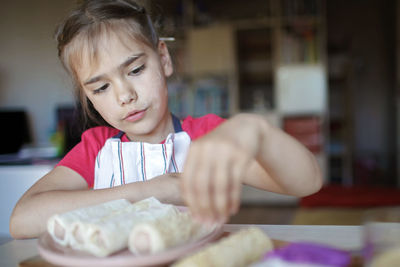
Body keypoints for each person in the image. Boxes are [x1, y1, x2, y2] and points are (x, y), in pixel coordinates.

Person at [9, 0, 322, 239]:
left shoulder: (206, 137)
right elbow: (21, 220)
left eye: (135, 70)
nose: (124, 95)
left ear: (163, 58)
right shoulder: (96, 150)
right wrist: (152, 189)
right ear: (87, 96)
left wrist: (257, 132)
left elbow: (306, 182)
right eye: (101, 87)